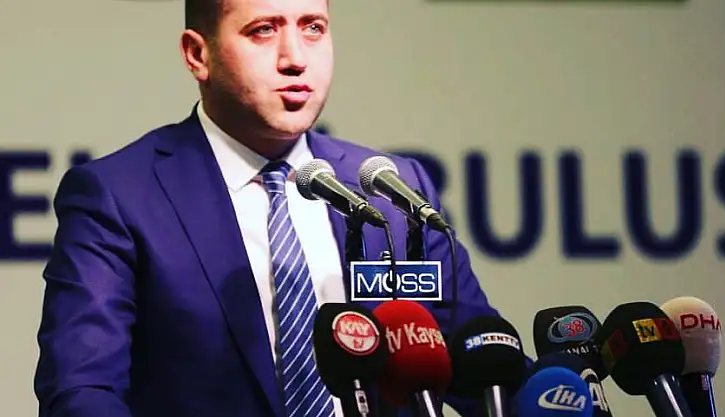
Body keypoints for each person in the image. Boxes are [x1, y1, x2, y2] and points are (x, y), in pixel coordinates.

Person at [33, 0, 522, 416]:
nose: (295, 59)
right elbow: (81, 391)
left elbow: (483, 367)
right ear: (197, 54)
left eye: (313, 28)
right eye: (264, 31)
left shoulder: (394, 193)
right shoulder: (119, 196)